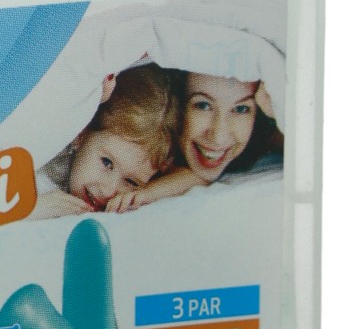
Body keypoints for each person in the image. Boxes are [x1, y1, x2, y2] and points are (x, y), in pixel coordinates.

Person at [105, 71, 278, 212]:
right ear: (177, 106)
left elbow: (199, 176)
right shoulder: (149, 133)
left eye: (240, 109)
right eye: (203, 105)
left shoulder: (262, 133)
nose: (219, 137)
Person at [31, 64, 179, 218]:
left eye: (131, 182)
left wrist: (151, 192)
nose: (108, 191)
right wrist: (30, 210)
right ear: (81, 134)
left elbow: (194, 176)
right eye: (107, 162)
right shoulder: (40, 168)